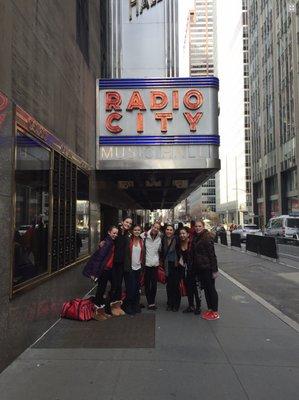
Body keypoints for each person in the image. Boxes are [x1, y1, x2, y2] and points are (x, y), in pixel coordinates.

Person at [83, 225, 123, 318]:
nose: (115, 235)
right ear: (109, 232)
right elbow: (99, 259)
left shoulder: (111, 241)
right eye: (114, 233)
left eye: (116, 233)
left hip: (110, 269)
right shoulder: (107, 243)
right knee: (101, 289)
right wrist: (94, 273)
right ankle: (98, 308)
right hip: (104, 270)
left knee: (112, 286)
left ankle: (103, 306)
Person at [191, 220, 220, 320]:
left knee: (211, 289)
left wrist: (215, 270)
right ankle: (210, 309)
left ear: (203, 227)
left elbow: (212, 255)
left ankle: (215, 311)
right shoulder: (196, 237)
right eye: (196, 226)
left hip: (208, 268)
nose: (197, 228)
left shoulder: (206, 237)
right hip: (201, 268)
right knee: (207, 290)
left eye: (199, 226)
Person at [177, 226, 201, 315]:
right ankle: (191, 305)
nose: (182, 235)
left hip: (193, 269)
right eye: (180, 234)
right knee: (188, 288)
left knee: (195, 288)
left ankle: (198, 307)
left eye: (183, 233)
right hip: (184, 269)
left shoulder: (192, 243)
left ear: (187, 234)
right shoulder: (179, 243)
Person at [123, 224, 144, 315]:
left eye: (138, 230)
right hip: (129, 268)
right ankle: (128, 306)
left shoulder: (142, 241)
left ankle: (136, 305)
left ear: (141, 231)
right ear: (132, 231)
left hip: (138, 268)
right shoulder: (128, 240)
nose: (137, 231)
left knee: (136, 288)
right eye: (135, 230)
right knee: (130, 288)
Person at [141, 221, 162, 310]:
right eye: (154, 227)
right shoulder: (144, 236)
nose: (155, 229)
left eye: (157, 228)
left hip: (155, 264)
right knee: (147, 284)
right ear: (152, 226)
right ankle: (150, 302)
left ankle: (152, 302)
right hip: (146, 264)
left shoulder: (160, 237)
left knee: (154, 285)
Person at [161, 224, 180, 311]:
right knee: (169, 285)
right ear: (165, 230)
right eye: (167, 229)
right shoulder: (163, 239)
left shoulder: (177, 239)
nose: (169, 231)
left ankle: (176, 304)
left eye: (171, 230)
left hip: (176, 265)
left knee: (175, 285)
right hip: (167, 265)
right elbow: (161, 252)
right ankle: (169, 303)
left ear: (173, 231)